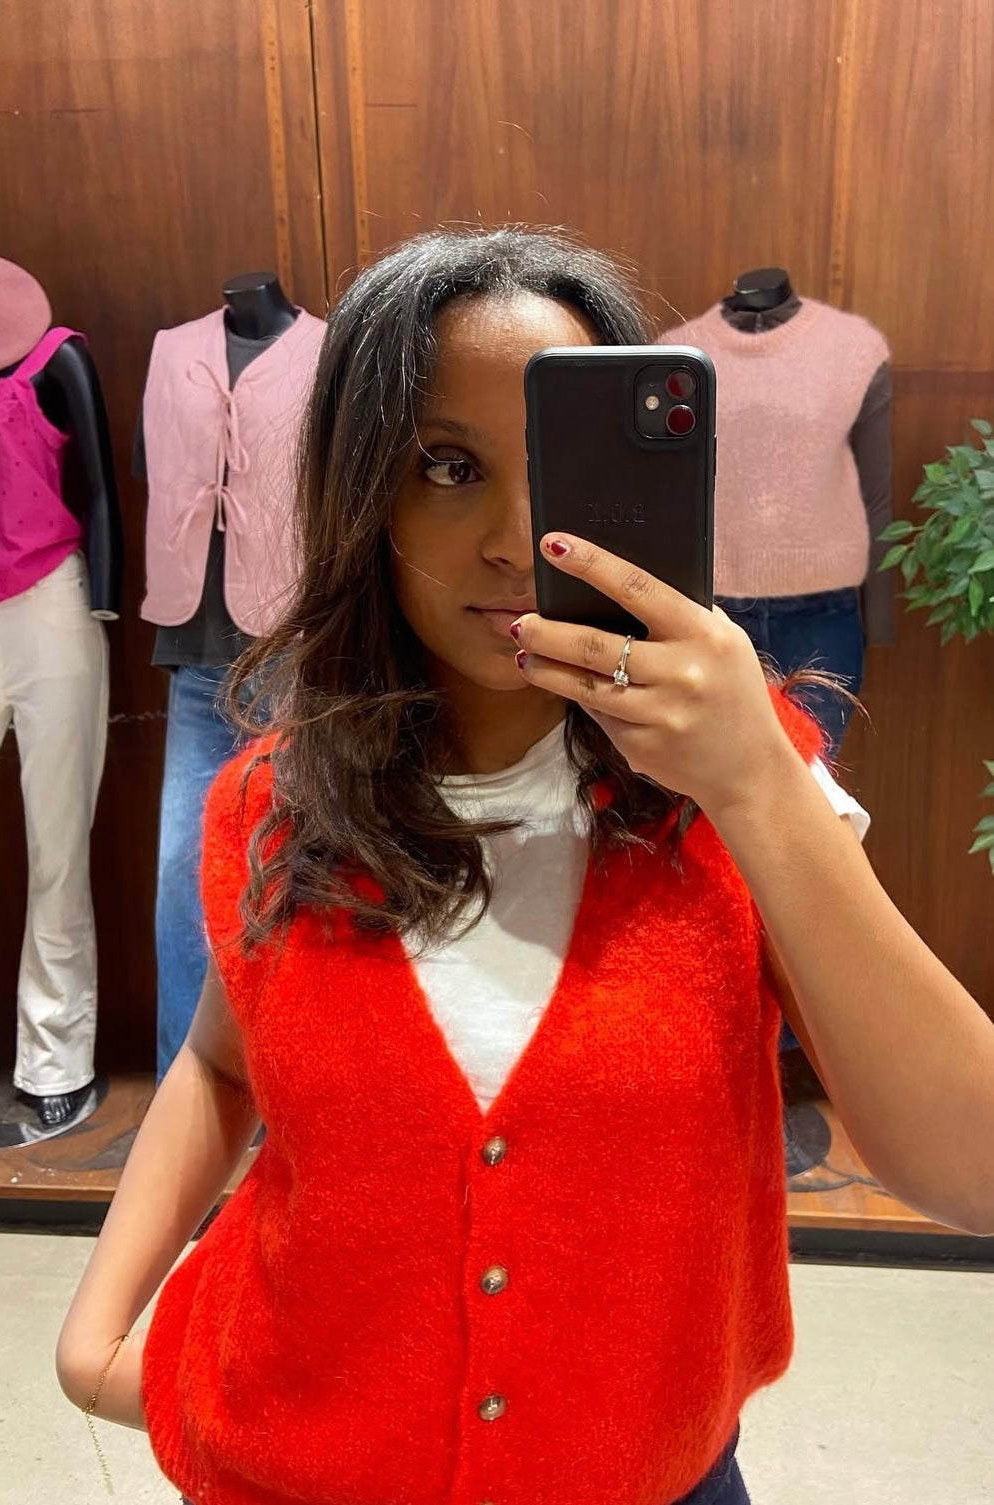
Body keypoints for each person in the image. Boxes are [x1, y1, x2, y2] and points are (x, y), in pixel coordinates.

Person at [55, 229, 994, 1505]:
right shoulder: (277, 802)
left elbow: (969, 1165)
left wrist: (754, 784)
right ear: (365, 492)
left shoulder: (741, 780)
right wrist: (94, 1335)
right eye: (447, 467)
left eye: (564, 469)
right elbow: (223, 1062)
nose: (515, 539)